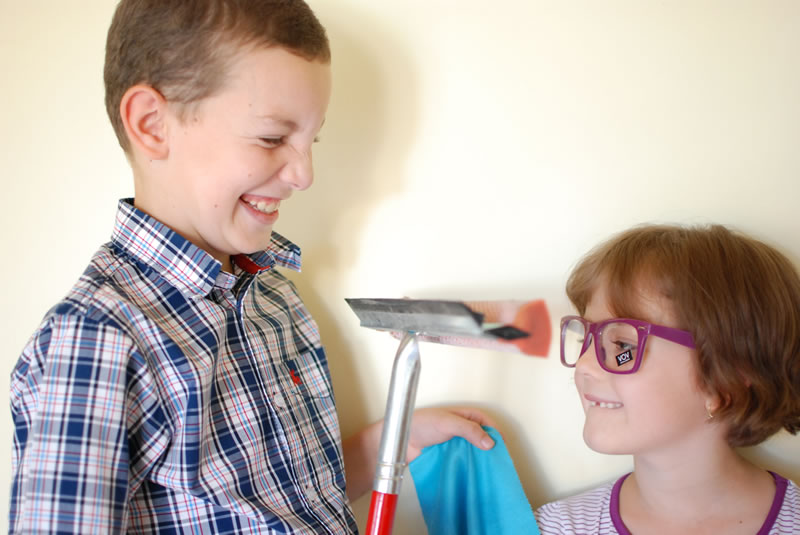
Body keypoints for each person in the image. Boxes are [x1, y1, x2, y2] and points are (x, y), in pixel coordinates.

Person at [8, 1, 495, 532]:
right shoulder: (96, 337)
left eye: (313, 141)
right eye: (271, 138)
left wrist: (396, 439)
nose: (304, 174)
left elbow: (285, 497)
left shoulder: (272, 297)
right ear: (152, 125)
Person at [535, 224, 800, 534]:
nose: (584, 365)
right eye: (588, 337)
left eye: (623, 346)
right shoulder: (553, 528)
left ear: (727, 377)